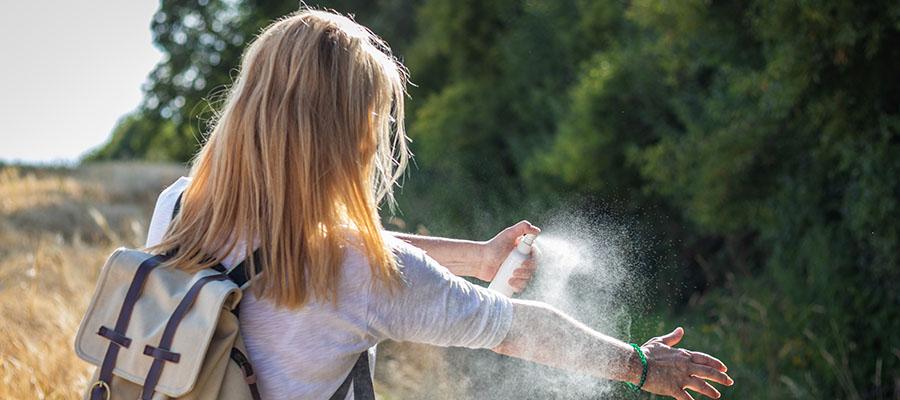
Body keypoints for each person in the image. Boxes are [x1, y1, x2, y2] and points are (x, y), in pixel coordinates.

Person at [145, 8, 733, 400]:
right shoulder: (358, 270)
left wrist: (477, 258)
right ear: (346, 129)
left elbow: (313, 240)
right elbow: (515, 328)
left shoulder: (182, 207)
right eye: (374, 116)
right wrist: (642, 365)